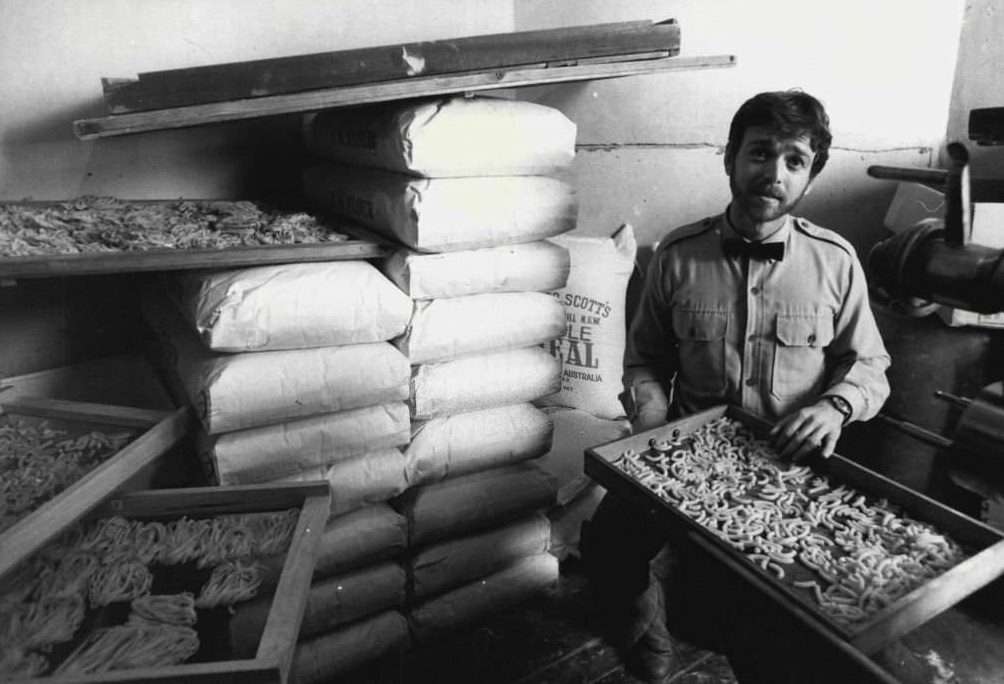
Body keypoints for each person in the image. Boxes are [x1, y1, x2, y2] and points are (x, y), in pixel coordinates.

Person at [580, 90, 891, 683]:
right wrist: (650, 416)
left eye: (795, 160)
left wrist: (834, 407)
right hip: (683, 452)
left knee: (760, 625)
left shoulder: (837, 261)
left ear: (810, 176)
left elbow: (870, 366)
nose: (774, 174)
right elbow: (644, 360)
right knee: (607, 549)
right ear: (730, 158)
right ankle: (648, 631)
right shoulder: (676, 255)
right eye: (760, 153)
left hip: (788, 466)